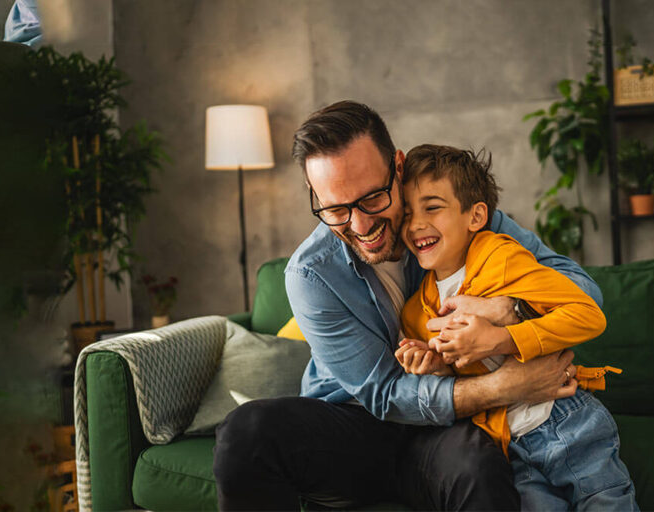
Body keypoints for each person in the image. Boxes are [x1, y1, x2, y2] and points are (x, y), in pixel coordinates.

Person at [213, 100, 603, 511]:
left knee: (479, 466)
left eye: (372, 198)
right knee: (245, 432)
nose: (361, 226)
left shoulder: (451, 213)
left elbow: (582, 291)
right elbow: (382, 394)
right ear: (316, 197)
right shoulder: (310, 275)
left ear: (398, 167)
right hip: (355, 427)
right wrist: (503, 387)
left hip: (447, 431)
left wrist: (509, 312)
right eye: (336, 209)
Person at [396, 144, 637, 510]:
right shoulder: (416, 311)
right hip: (508, 443)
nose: (415, 224)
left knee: (605, 503)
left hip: (564, 419)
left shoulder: (500, 257)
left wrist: (503, 338)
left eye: (432, 207)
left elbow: (587, 313)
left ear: (476, 216)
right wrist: (433, 364)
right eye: (407, 213)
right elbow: (462, 381)